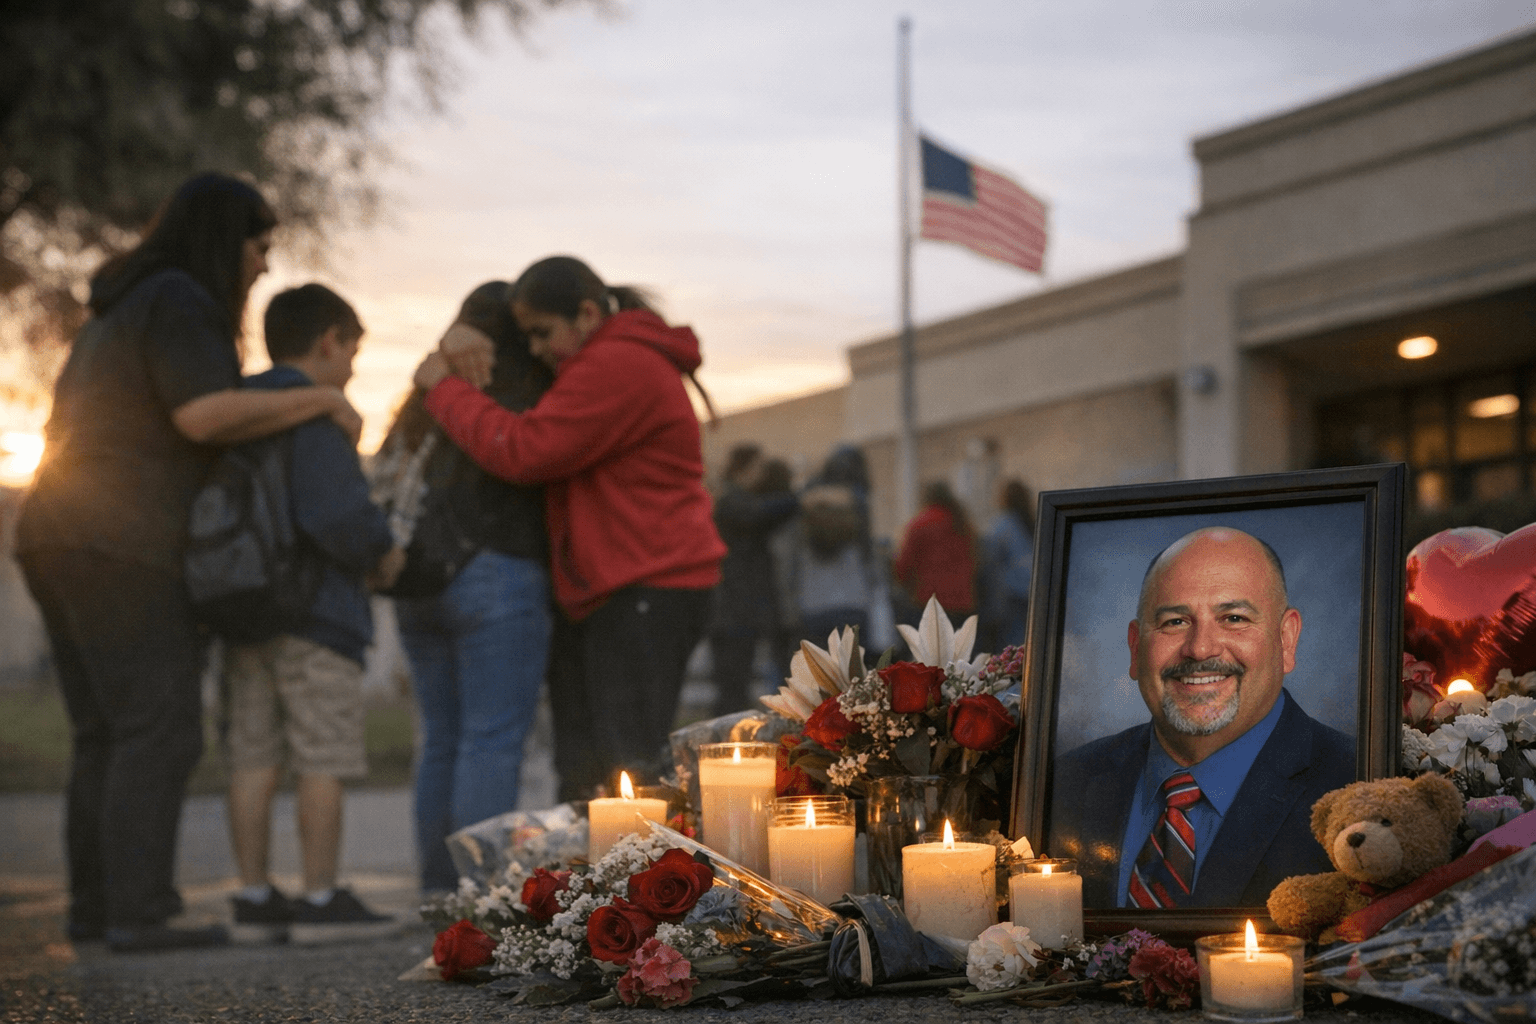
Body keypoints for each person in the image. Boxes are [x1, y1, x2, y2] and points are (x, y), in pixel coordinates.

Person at [15, 172, 362, 952]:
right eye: (259, 246)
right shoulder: (179, 299)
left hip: (55, 531)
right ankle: (139, 915)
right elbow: (203, 414)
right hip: (121, 539)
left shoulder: (124, 306)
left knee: (104, 730)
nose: (263, 266)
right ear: (222, 238)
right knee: (156, 727)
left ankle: (99, 911)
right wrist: (320, 398)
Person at [412, 255, 726, 793]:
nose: (535, 349)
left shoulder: (617, 363)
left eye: (541, 333)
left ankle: (636, 876)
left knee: (625, 769)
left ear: (585, 313)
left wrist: (443, 387)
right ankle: (596, 877)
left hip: (645, 585)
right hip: (626, 587)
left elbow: (524, 450)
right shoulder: (612, 357)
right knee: (591, 771)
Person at [221, 284, 402, 943]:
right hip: (316, 613)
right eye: (352, 351)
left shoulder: (235, 406)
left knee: (252, 753)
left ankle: (252, 894)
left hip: (241, 608)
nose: (352, 367)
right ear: (330, 341)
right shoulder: (315, 416)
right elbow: (339, 517)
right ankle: (322, 899)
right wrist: (383, 555)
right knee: (320, 755)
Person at [1050, 527, 1355, 909]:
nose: (1200, 648)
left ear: (1286, 639)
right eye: (1175, 622)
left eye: (1234, 618)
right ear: (1135, 647)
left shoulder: (1356, 787)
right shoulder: (1064, 785)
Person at [378, 281, 554, 894]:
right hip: (498, 570)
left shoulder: (423, 394)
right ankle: (479, 895)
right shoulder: (522, 386)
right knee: (493, 739)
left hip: (420, 581)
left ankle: (437, 889)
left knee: (442, 738)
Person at [708, 443, 798, 717]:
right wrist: (802, 496)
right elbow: (758, 514)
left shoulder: (739, 500)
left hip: (740, 610)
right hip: (732, 611)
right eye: (758, 467)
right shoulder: (731, 501)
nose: (762, 474)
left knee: (737, 687)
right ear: (743, 469)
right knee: (732, 688)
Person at [786, 445, 877, 648]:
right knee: (853, 672)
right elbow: (868, 555)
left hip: (813, 603)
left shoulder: (807, 502)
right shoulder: (858, 506)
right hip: (854, 600)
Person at [894, 480, 977, 629]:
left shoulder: (919, 524)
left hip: (929, 601)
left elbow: (904, 566)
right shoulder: (962, 524)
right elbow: (976, 560)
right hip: (962, 602)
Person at [979, 478, 1035, 651]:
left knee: (1012, 646)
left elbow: (990, 560)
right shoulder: (1033, 522)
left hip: (1011, 594)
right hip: (1032, 591)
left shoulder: (1002, 524)